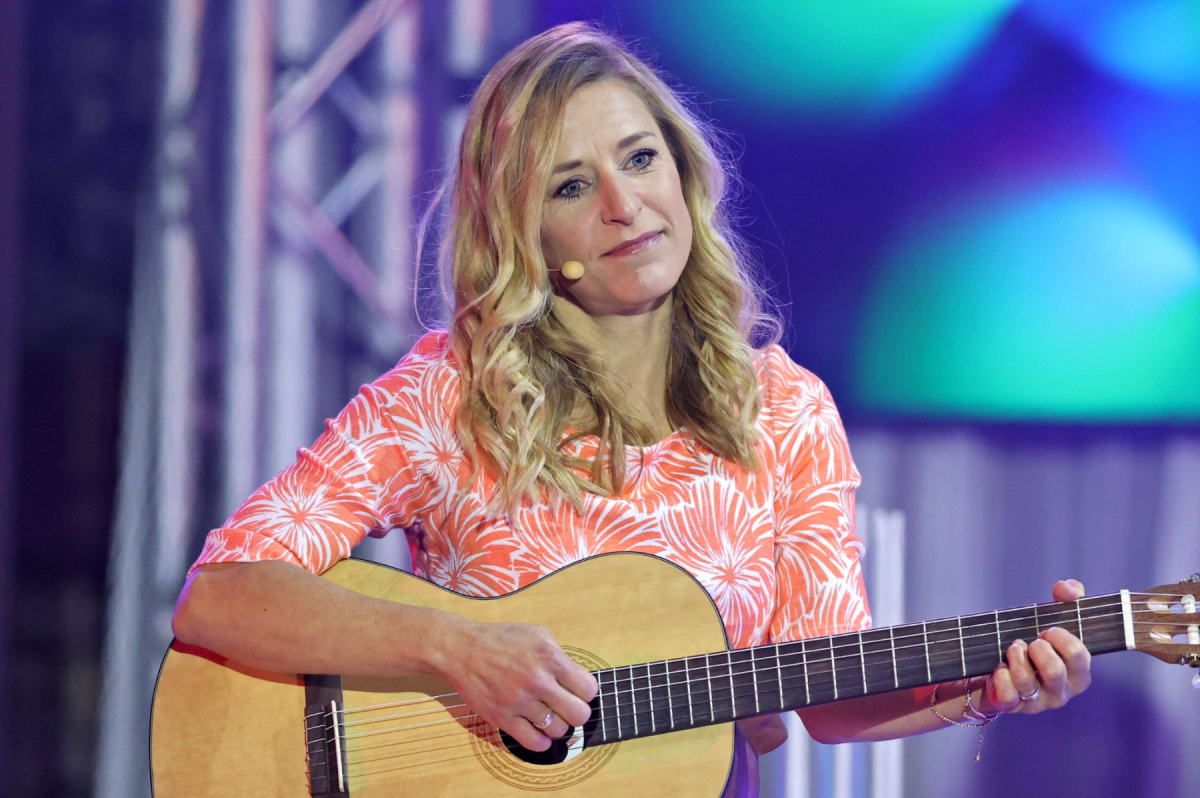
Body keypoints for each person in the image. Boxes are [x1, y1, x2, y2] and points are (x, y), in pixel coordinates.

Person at [171, 22, 1092, 796]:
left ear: (682, 177)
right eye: (571, 186)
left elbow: (829, 693)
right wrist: (460, 650)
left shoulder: (785, 410)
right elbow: (221, 594)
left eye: (640, 159)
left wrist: (986, 686)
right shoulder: (449, 392)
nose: (624, 205)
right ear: (526, 233)